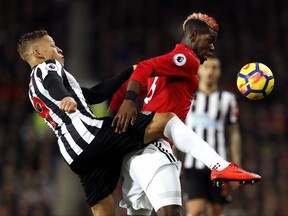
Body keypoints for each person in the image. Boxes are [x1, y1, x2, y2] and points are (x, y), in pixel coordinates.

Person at [17, 30, 260, 216]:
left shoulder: (33, 88)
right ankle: (218, 163)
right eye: (52, 46)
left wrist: (127, 72)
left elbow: (93, 95)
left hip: (75, 155)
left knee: (103, 211)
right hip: (89, 135)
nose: (59, 49)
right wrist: (65, 97)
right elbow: (53, 85)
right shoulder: (45, 69)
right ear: (38, 53)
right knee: (167, 119)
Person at [109, 13, 261, 216]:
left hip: (133, 154)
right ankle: (220, 164)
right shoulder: (188, 60)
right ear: (194, 35)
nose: (213, 47)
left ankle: (220, 165)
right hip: (154, 146)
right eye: (210, 40)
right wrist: (129, 101)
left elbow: (123, 86)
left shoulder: (167, 69)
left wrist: (110, 123)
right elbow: (143, 68)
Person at [181, 56, 241, 216]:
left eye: (215, 67)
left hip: (219, 164)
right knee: (195, 211)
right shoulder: (188, 96)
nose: (210, 71)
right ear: (199, 69)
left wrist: (236, 163)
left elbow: (234, 133)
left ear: (219, 72)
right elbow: (176, 128)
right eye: (207, 67)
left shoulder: (228, 99)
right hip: (193, 164)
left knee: (217, 212)